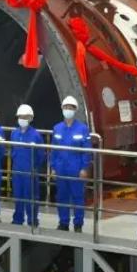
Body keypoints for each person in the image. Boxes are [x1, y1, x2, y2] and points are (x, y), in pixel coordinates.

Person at [51, 96, 92, 232]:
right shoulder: (57, 128)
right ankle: (63, 223)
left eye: (71, 108)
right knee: (61, 196)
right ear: (62, 109)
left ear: (75, 110)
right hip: (61, 168)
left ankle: (78, 224)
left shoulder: (82, 129)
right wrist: (53, 167)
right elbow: (53, 150)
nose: (68, 110)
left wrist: (84, 168)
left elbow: (87, 150)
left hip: (76, 168)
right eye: (66, 107)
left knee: (77, 196)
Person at [9, 104, 46, 227]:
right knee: (18, 196)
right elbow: (13, 150)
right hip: (17, 171)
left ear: (30, 118)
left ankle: (32, 220)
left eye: (25, 117)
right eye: (20, 117)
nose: (22, 119)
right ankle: (18, 220)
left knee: (31, 197)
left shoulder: (36, 135)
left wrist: (34, 167)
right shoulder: (14, 133)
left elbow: (41, 154)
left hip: (30, 172)